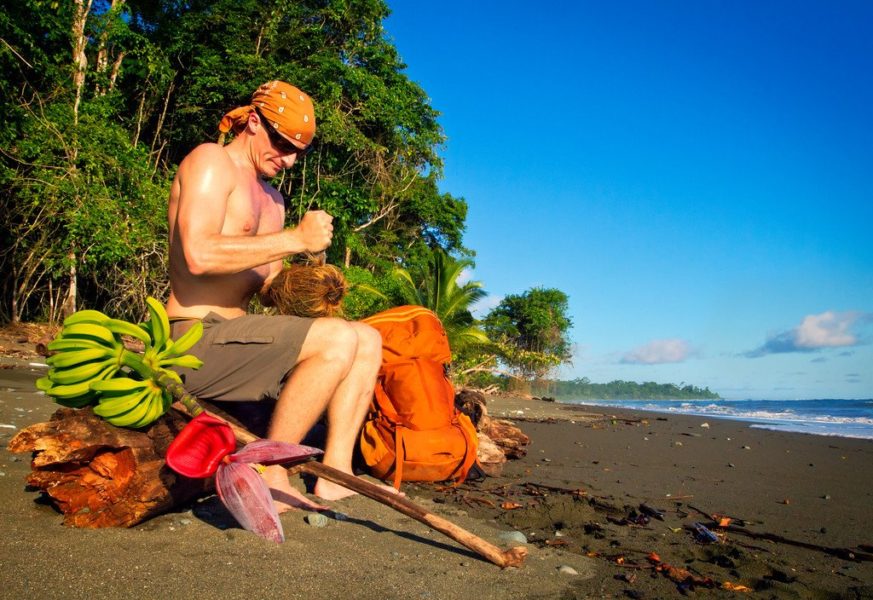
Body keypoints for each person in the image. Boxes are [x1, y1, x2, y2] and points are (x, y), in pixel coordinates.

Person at [165, 80, 385, 512]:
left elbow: (268, 290)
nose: (288, 160)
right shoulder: (211, 163)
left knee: (365, 338)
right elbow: (198, 254)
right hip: (192, 341)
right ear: (252, 121)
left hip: (241, 340)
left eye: (298, 152)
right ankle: (270, 467)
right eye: (281, 144)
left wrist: (312, 284)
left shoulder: (274, 200)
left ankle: (337, 474)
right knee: (337, 339)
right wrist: (294, 239)